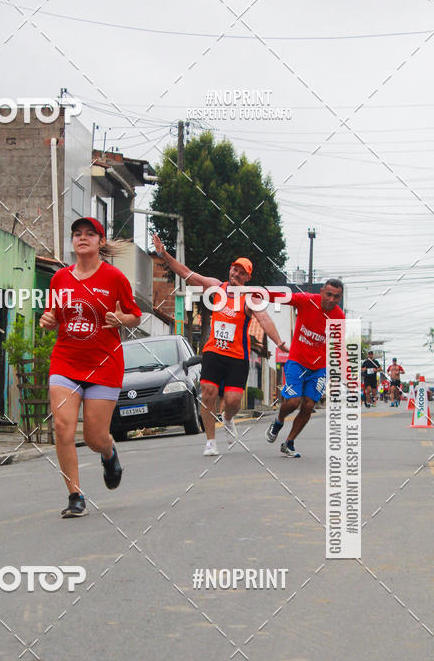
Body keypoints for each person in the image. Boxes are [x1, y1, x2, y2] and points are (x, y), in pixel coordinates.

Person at [152, 234, 289, 455]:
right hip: (214, 351)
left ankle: (227, 418)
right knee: (208, 392)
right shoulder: (217, 288)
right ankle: (210, 441)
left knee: (233, 400)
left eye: (241, 272)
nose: (236, 274)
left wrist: (280, 343)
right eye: (234, 269)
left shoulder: (249, 298)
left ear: (247, 278)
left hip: (237, 356)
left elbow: (265, 320)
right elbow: (187, 274)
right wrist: (164, 254)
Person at [40, 217, 141, 517]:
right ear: (72, 241)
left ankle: (109, 454)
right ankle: (75, 495)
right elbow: (54, 315)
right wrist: (47, 320)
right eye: (77, 234)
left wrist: (121, 319)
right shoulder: (60, 279)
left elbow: (135, 315)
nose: (82, 238)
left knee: (95, 438)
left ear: (100, 241)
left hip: (104, 365)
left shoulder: (114, 278)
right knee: (62, 427)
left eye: (89, 234)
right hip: (66, 361)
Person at [263, 280, 345, 457]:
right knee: (293, 401)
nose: (331, 299)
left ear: (340, 298)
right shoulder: (306, 300)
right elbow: (281, 297)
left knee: (308, 405)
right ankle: (278, 421)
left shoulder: (339, 317)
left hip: (319, 368)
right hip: (297, 361)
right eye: (328, 294)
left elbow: (338, 346)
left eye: (336, 296)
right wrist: (259, 293)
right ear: (322, 291)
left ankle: (289, 442)